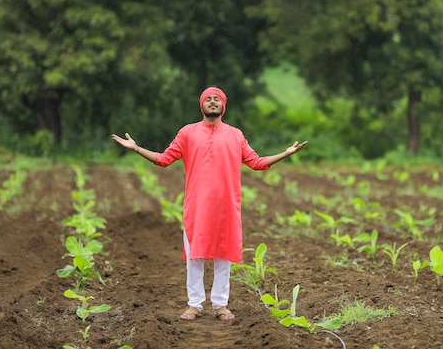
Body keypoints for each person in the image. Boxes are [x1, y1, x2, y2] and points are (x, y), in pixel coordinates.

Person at [111, 86, 307, 322]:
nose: (212, 102)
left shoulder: (235, 135)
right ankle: (194, 305)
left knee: (223, 257)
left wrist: (285, 154)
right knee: (195, 257)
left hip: (226, 206)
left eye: (217, 99)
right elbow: (163, 160)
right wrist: (137, 149)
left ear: (224, 106)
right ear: (201, 105)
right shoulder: (187, 133)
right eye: (208, 99)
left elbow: (256, 162)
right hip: (197, 206)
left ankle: (220, 305)